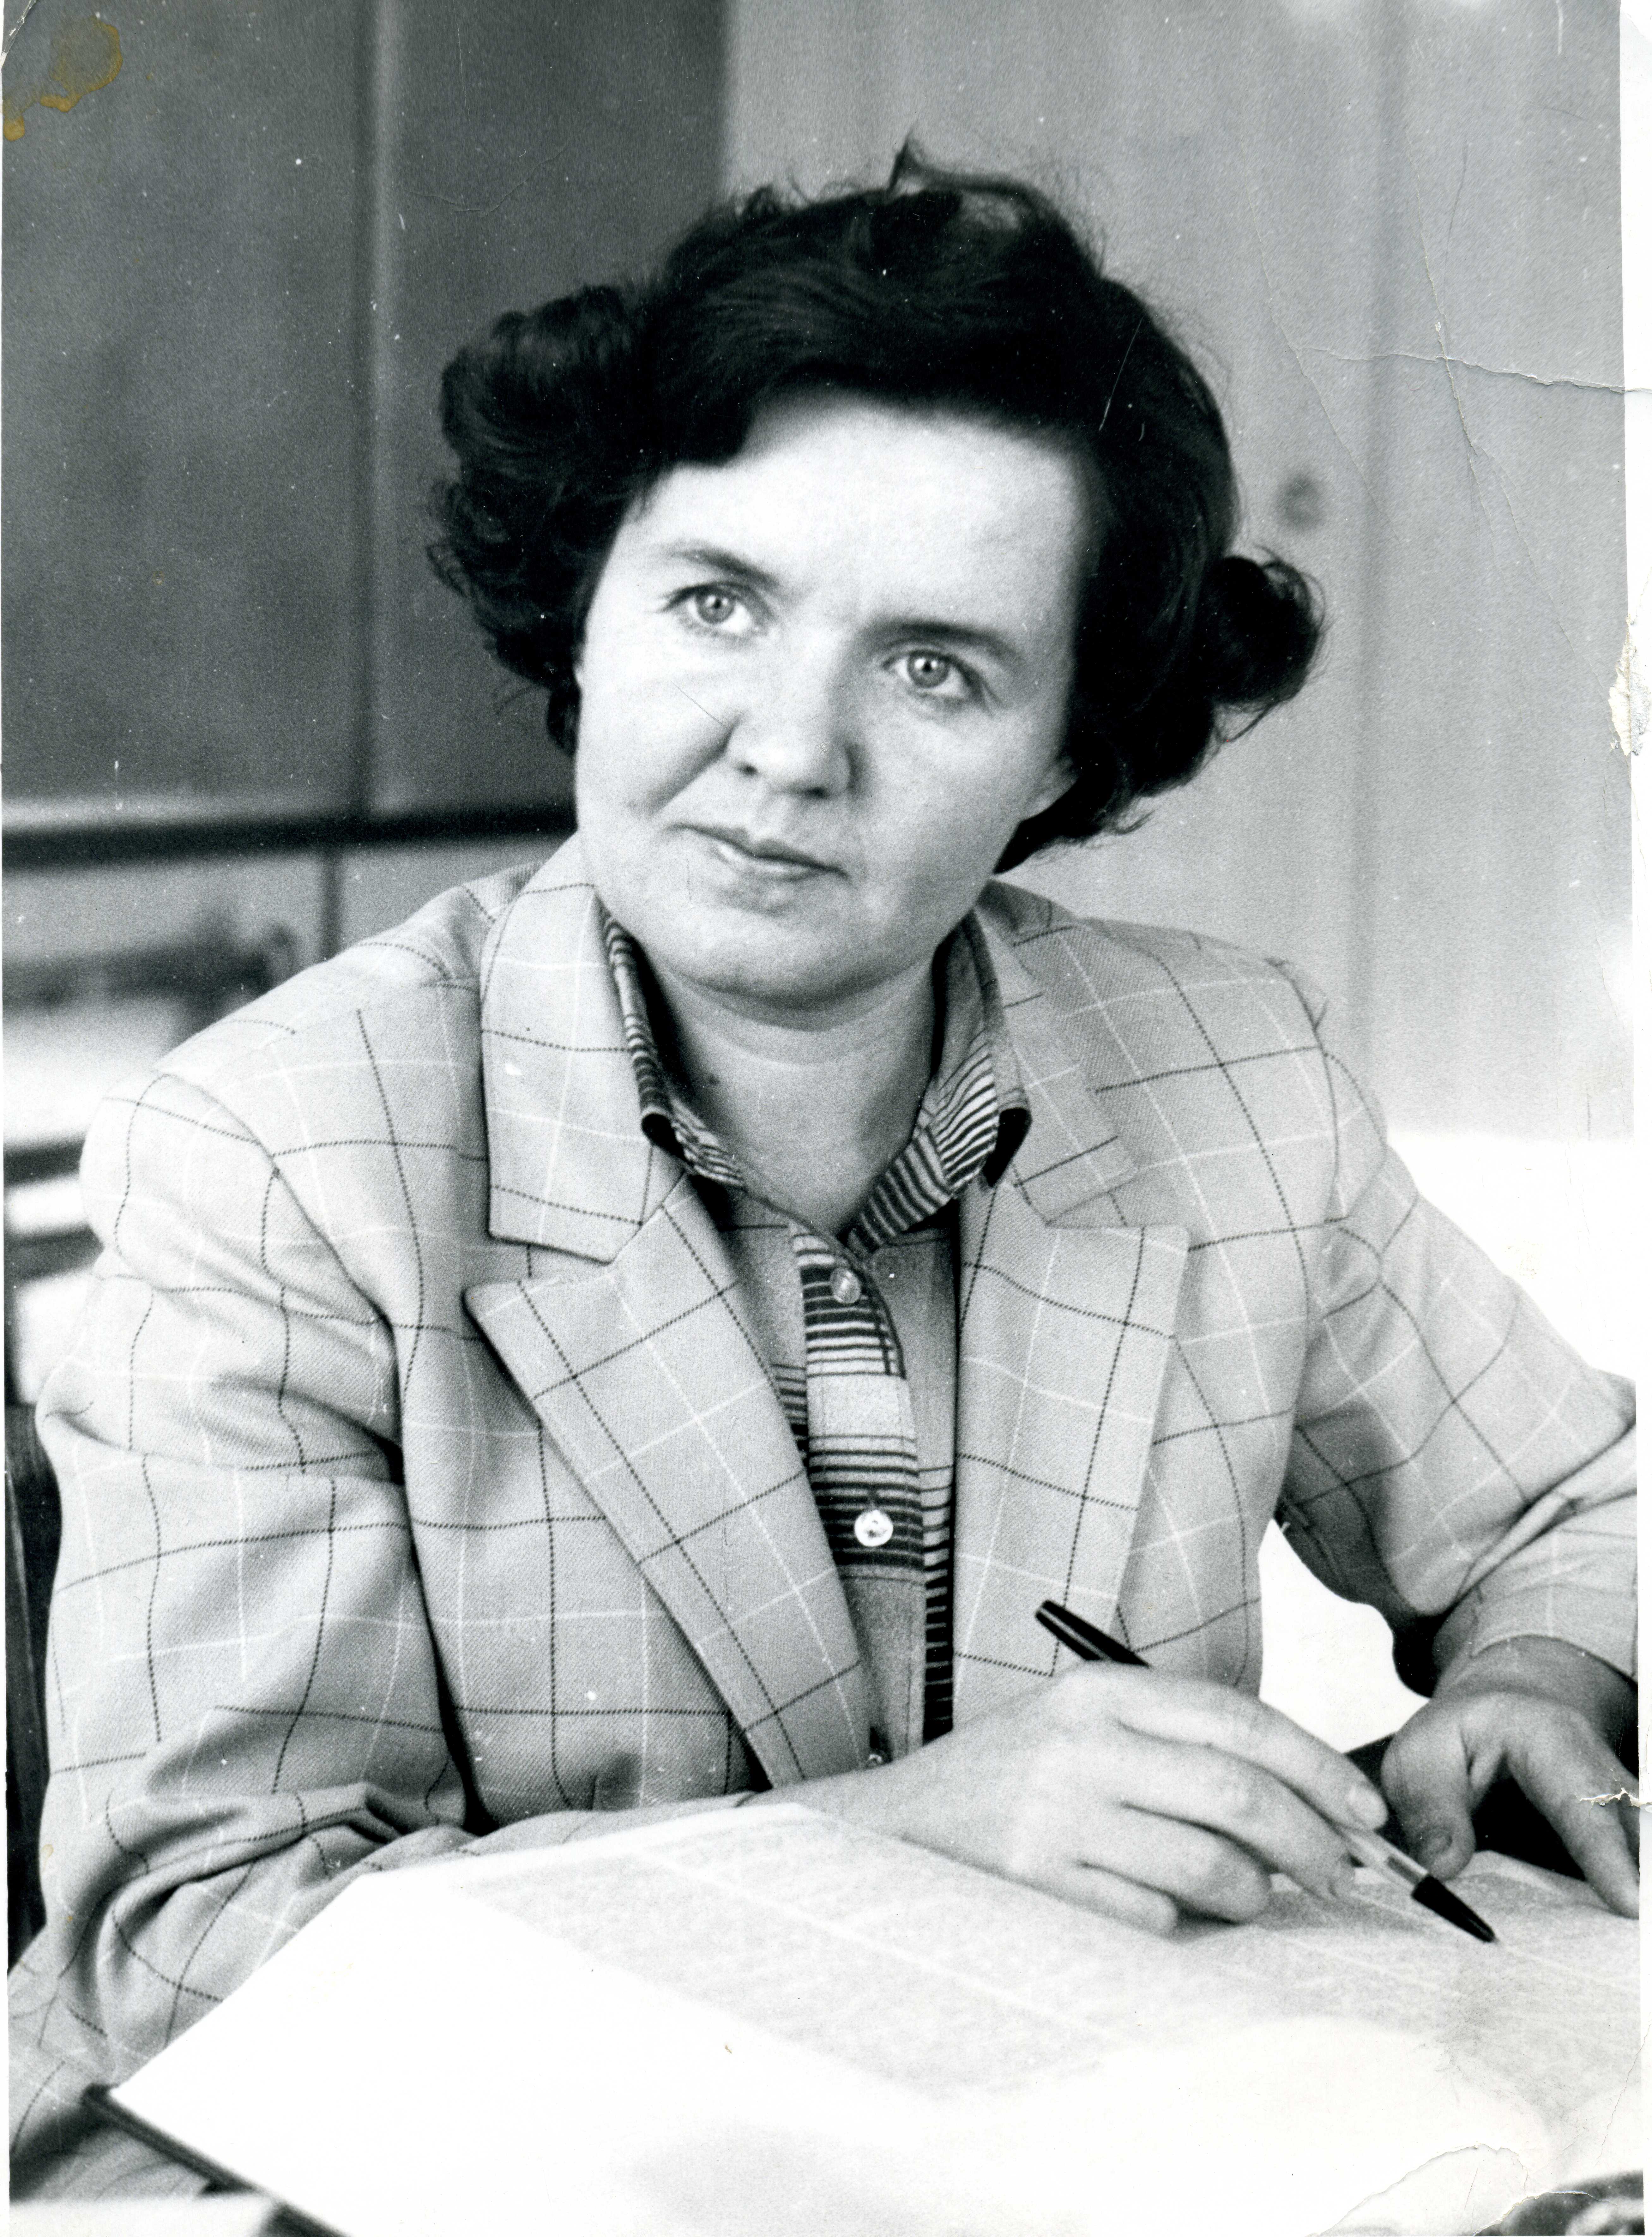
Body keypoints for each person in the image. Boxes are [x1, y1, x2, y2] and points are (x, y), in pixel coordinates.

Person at [10, 152, 1636, 2198]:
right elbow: (191, 1949)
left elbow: (1586, 1502)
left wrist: (1531, 1670)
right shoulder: (281, 1153)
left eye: (936, 668)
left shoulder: (1233, 1072)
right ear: (589, 611)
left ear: (1067, 756)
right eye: (719, 604)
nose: (791, 747)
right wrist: (894, 1841)